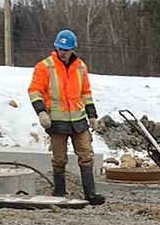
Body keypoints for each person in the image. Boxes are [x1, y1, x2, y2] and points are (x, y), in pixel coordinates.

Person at [27, 30, 106, 205]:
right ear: (56, 47)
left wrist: (92, 115)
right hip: (56, 120)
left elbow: (86, 92)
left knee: (86, 155)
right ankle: (59, 193)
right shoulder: (45, 66)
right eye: (60, 48)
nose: (62, 52)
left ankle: (91, 196)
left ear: (72, 49)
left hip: (78, 121)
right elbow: (34, 90)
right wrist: (41, 112)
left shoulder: (80, 67)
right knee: (59, 159)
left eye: (66, 49)